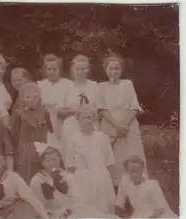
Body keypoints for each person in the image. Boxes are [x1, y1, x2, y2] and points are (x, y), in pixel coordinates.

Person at [30, 133, 116, 218]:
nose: (51, 163)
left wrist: (67, 212)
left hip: (70, 212)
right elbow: (36, 205)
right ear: (42, 163)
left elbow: (77, 199)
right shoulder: (37, 180)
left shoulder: (68, 177)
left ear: (60, 159)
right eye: (47, 161)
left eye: (54, 159)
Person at [97, 54, 147, 187]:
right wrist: (117, 126)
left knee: (131, 156)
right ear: (105, 69)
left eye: (117, 68)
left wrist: (124, 125)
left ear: (121, 70)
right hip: (110, 126)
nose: (114, 72)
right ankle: (117, 192)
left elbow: (134, 107)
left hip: (128, 126)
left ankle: (136, 189)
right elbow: (101, 109)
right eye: (111, 69)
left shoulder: (127, 84)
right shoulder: (101, 87)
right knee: (113, 160)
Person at [64, 106, 116, 214]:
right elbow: (70, 165)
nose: (87, 121)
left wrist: (110, 182)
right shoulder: (73, 139)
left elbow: (110, 162)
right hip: (82, 179)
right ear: (78, 120)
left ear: (93, 119)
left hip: (101, 176)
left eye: (89, 117)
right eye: (84, 118)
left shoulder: (102, 138)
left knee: (103, 208)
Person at [0, 148, 50, 219]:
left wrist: (45, 216)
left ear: (3, 164)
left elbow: (30, 197)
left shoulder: (13, 177)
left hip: (13, 210)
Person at [60, 55, 100, 159]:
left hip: (90, 126)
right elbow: (59, 112)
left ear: (88, 70)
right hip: (71, 127)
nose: (80, 72)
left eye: (83, 69)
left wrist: (89, 113)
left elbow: (100, 109)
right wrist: (73, 111)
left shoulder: (94, 86)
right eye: (77, 69)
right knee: (72, 157)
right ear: (73, 69)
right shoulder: (66, 87)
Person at [14, 82, 53, 183]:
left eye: (35, 96)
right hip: (26, 151)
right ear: (22, 99)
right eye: (28, 97)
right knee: (27, 178)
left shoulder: (44, 112)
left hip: (43, 149)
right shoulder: (18, 114)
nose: (32, 99)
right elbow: (14, 136)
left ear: (39, 97)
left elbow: (50, 131)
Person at [37, 54, 75, 143]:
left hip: (62, 119)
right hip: (44, 119)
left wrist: (57, 110)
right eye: (49, 69)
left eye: (55, 69)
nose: (52, 72)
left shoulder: (68, 84)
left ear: (59, 69)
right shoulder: (40, 85)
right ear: (45, 70)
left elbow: (70, 105)